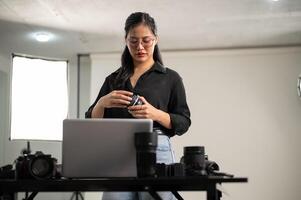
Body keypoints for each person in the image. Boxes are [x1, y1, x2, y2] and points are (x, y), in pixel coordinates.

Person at [85, 12, 191, 200]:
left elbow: (183, 122)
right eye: (133, 41)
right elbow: (90, 121)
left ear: (156, 39)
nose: (140, 47)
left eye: (146, 40)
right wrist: (101, 104)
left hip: (156, 148)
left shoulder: (171, 78)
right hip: (118, 150)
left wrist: (156, 114)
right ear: (125, 40)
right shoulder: (112, 80)